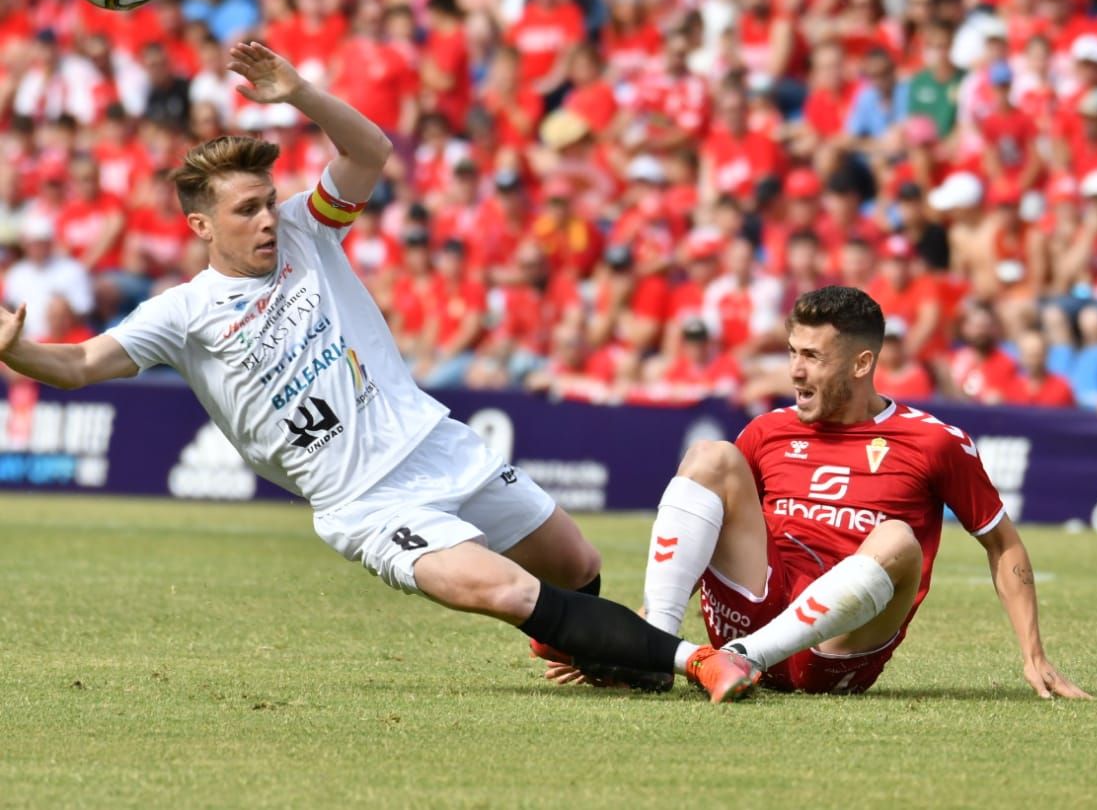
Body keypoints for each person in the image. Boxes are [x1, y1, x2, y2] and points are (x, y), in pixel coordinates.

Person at [0, 42, 759, 704]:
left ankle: (583, 644)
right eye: (244, 212)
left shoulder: (304, 230)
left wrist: (298, 94)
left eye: (267, 203)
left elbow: (369, 154)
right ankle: (693, 662)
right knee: (503, 589)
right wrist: (16, 352)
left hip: (434, 443)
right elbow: (79, 363)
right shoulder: (183, 312)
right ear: (201, 225)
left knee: (576, 564)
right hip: (362, 499)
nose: (266, 219)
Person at [562, 286, 1089, 699]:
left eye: (812, 356)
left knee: (898, 539)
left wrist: (1034, 653)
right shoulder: (769, 430)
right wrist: (629, 626)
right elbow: (704, 526)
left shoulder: (933, 441)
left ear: (861, 364)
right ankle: (652, 650)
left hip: (831, 652)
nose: (794, 370)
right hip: (755, 605)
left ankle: (746, 657)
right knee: (710, 456)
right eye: (792, 352)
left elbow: (1004, 544)